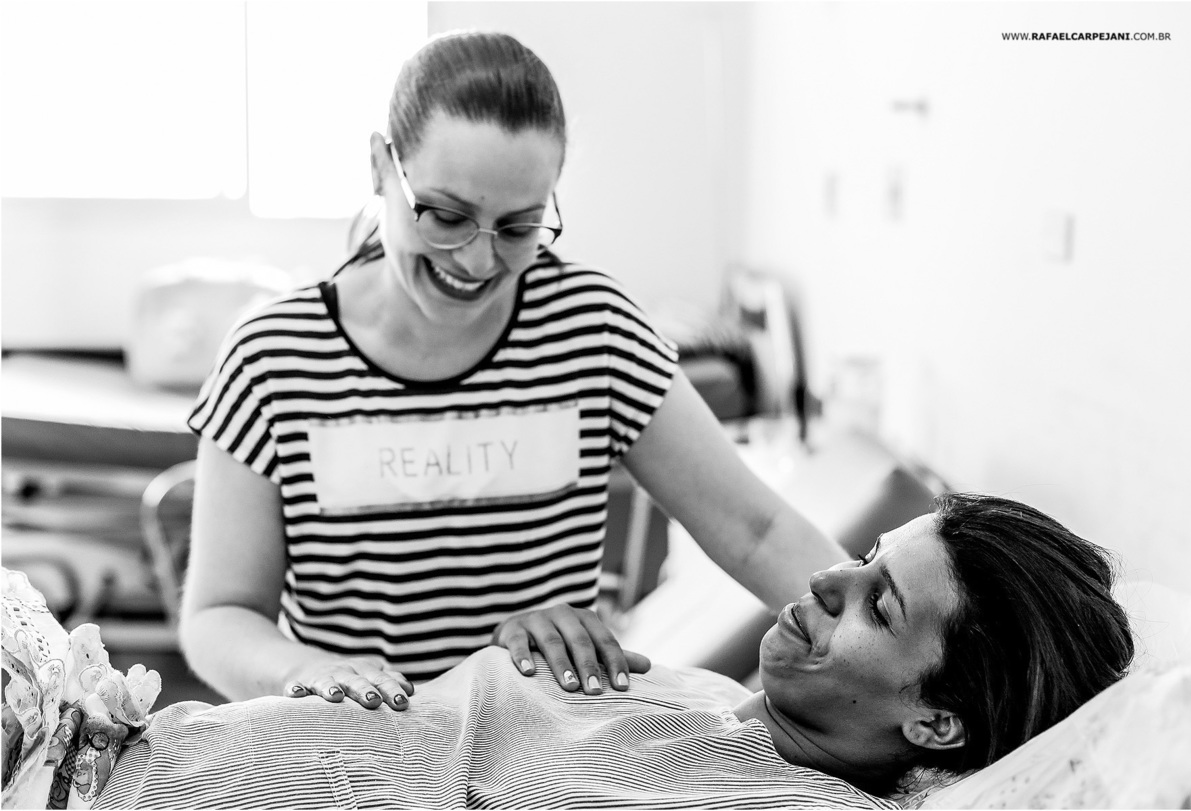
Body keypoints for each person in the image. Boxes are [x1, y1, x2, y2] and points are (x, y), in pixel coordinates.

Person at [181, 29, 844, 709]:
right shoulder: (272, 357)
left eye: (519, 227)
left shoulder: (593, 332)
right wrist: (312, 670)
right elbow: (219, 616)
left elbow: (757, 533)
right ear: (380, 166)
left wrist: (887, 648)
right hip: (356, 747)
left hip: (542, 745)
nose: (477, 261)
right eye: (445, 216)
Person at [90, 493, 1133, 808]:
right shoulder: (697, 689)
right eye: (863, 556)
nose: (826, 578)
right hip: (122, 744)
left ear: (937, 721)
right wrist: (513, 656)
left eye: (878, 601)